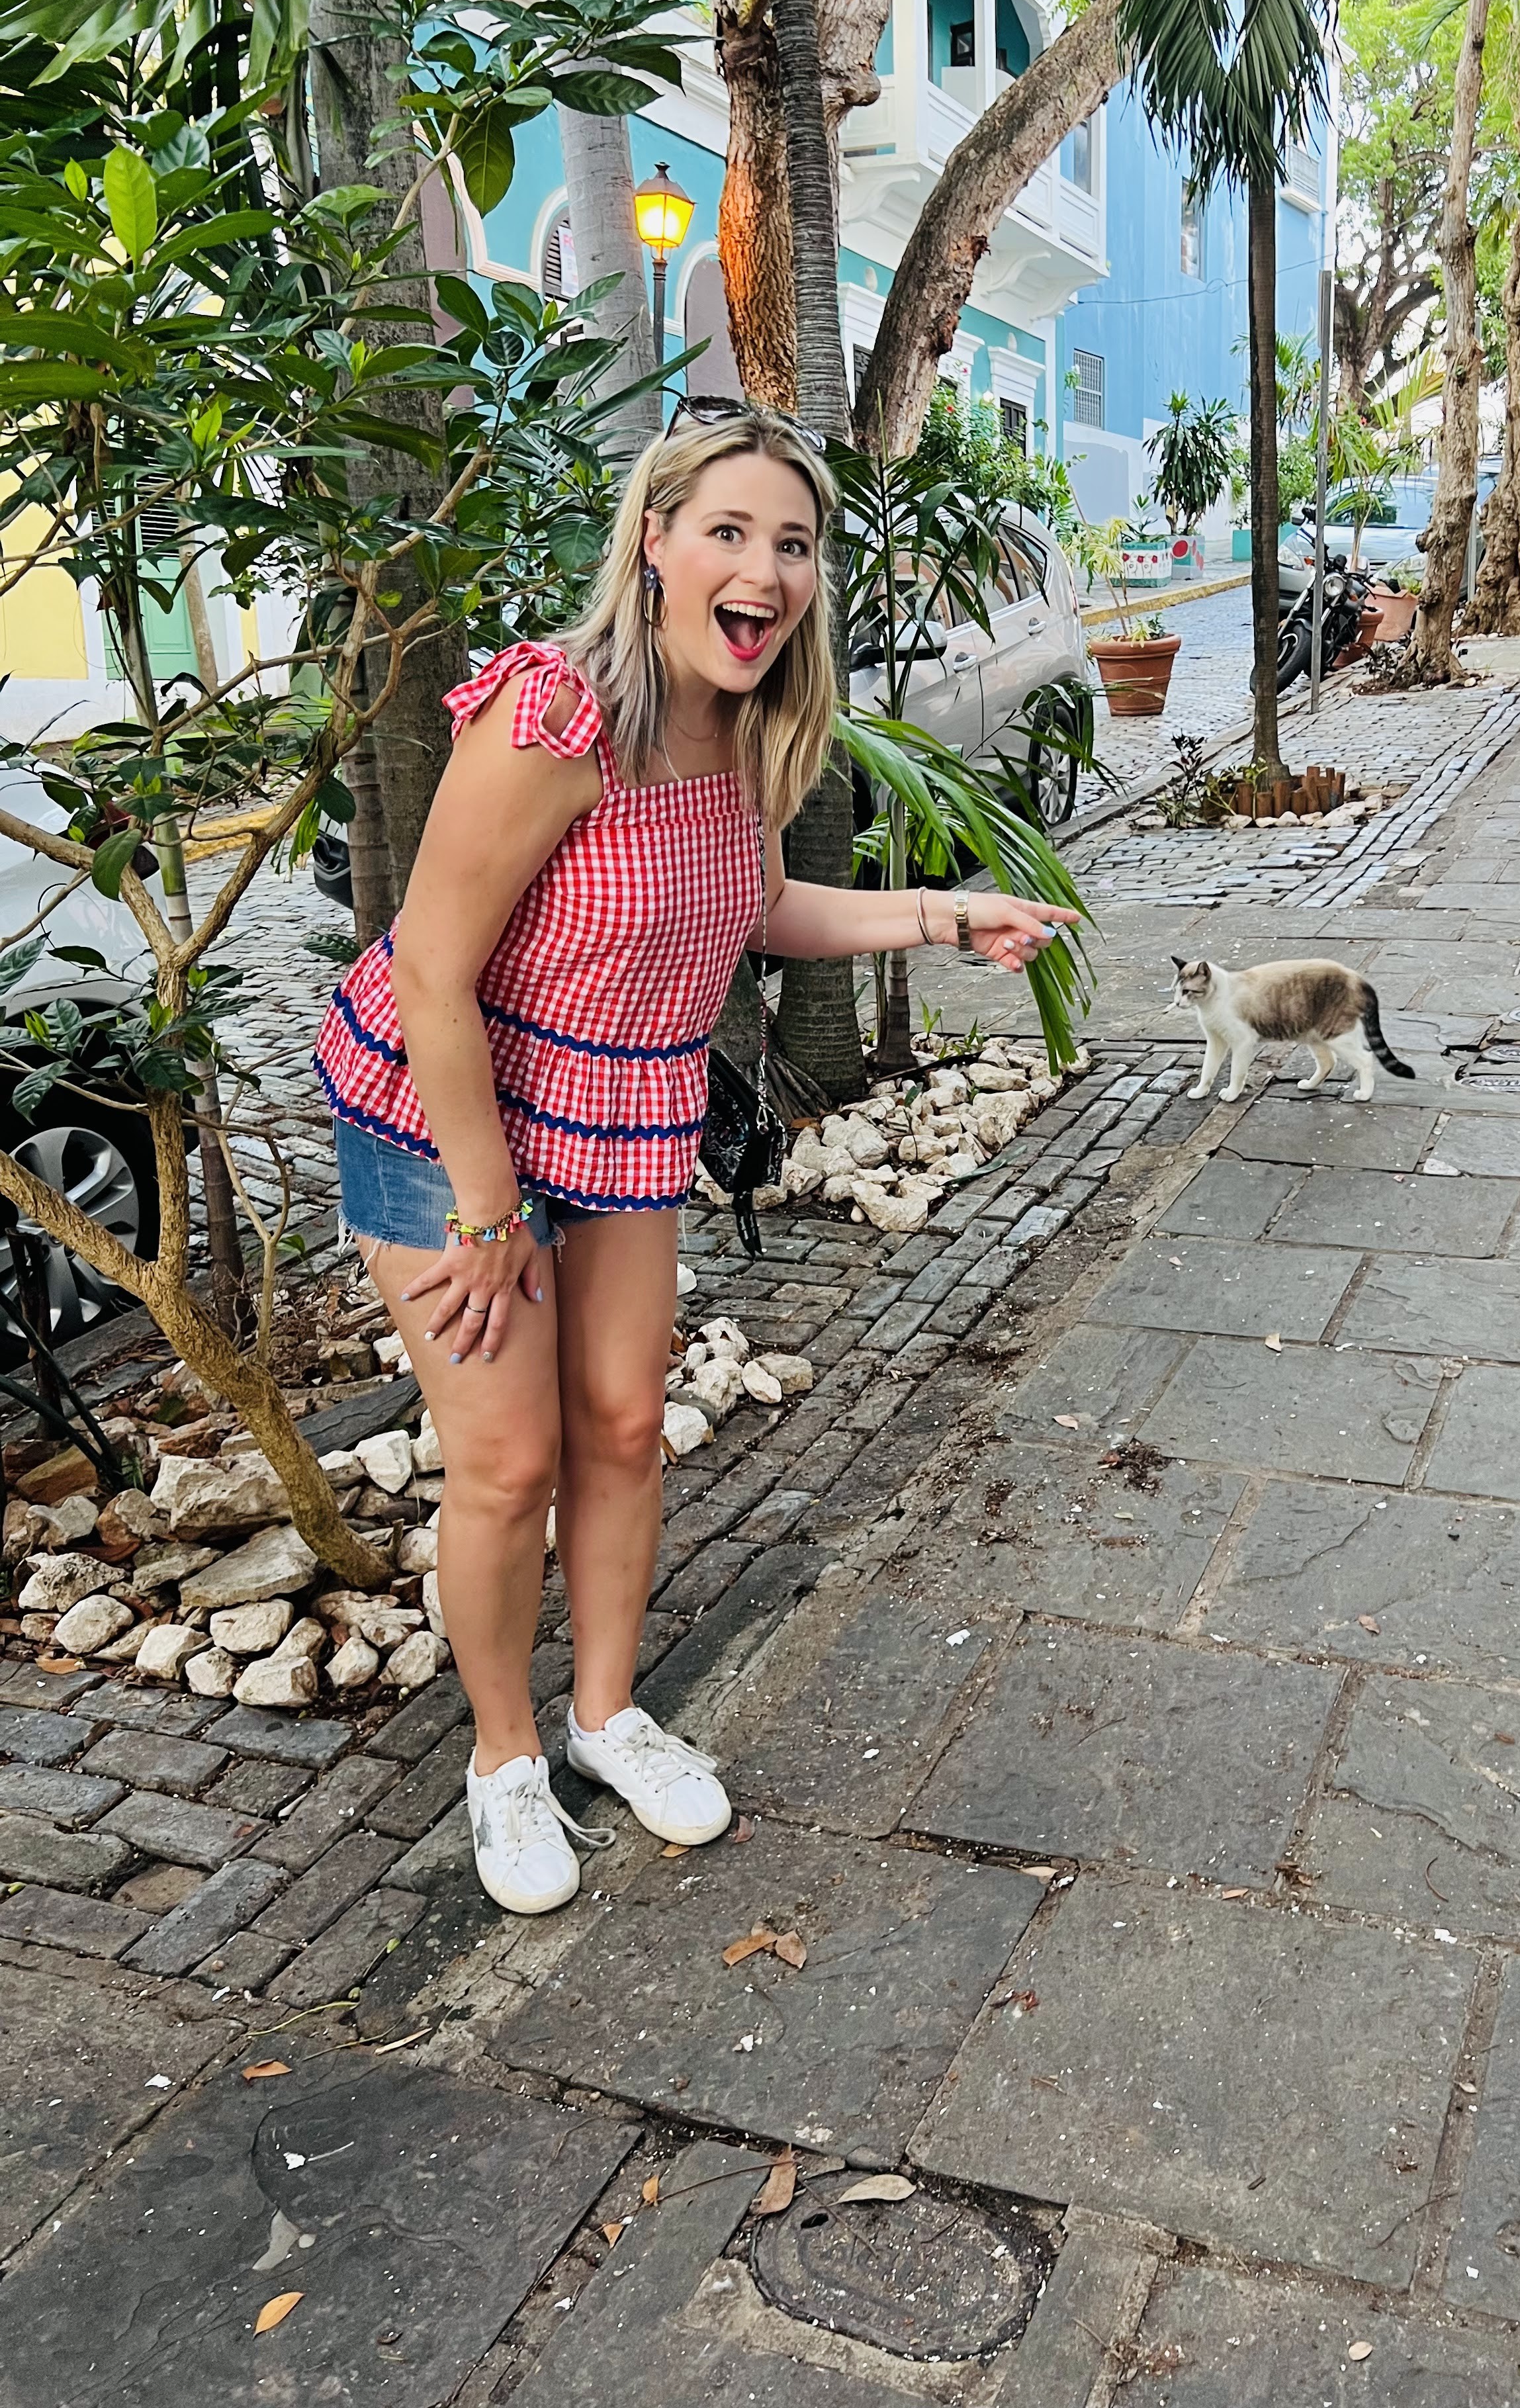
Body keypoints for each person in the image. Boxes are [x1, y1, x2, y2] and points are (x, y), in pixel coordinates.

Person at [313, 403, 1075, 1914]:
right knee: (508, 1457)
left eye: (792, 543)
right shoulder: (555, 714)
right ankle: (506, 1763)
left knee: (619, 1420)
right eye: (728, 531)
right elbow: (431, 974)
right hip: (441, 1114)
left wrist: (939, 914)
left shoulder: (748, 727)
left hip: (619, 1110)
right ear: (654, 542)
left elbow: (756, 907)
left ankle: (606, 1719)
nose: (765, 569)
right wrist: (485, 1212)